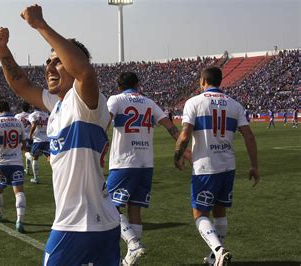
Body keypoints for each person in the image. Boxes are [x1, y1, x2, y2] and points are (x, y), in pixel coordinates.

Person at [0, 5, 120, 265]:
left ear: (73, 61)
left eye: (57, 60)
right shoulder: (58, 104)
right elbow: (21, 85)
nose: (49, 66)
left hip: (76, 225)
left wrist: (40, 24)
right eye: (47, 61)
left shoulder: (86, 100)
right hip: (101, 222)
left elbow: (84, 71)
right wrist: (2, 49)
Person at [174, 67, 259, 265]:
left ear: (203, 81)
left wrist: (177, 156)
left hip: (205, 167)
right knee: (220, 212)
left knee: (200, 214)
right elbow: (249, 136)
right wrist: (254, 165)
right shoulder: (235, 105)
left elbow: (185, 134)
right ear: (220, 81)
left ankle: (219, 250)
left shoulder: (194, 102)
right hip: (227, 166)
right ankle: (214, 258)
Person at [106, 72, 190, 265]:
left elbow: (105, 121)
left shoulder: (116, 99)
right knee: (135, 209)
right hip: (146, 164)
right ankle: (130, 258)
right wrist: (182, 152)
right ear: (137, 85)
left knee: (108, 206)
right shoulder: (149, 103)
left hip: (124, 162)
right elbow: (171, 127)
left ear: (119, 87)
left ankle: (133, 244)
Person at [0, 100, 27, 233]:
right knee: (19, 192)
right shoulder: (18, 122)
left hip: (2, 163)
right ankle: (20, 221)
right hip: (17, 163)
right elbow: (24, 144)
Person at [27, 107, 50, 184]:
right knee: (50, 158)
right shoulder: (46, 115)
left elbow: (33, 125)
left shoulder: (32, 115)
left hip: (38, 140)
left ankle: (36, 178)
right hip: (47, 139)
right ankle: (59, 174)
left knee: (35, 158)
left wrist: (30, 135)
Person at [14, 101, 33, 174]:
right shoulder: (31, 115)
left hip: (19, 136)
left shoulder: (17, 116)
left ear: (21, 108)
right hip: (29, 136)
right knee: (27, 151)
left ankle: (18, 167)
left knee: (18, 152)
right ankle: (27, 169)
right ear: (29, 108)